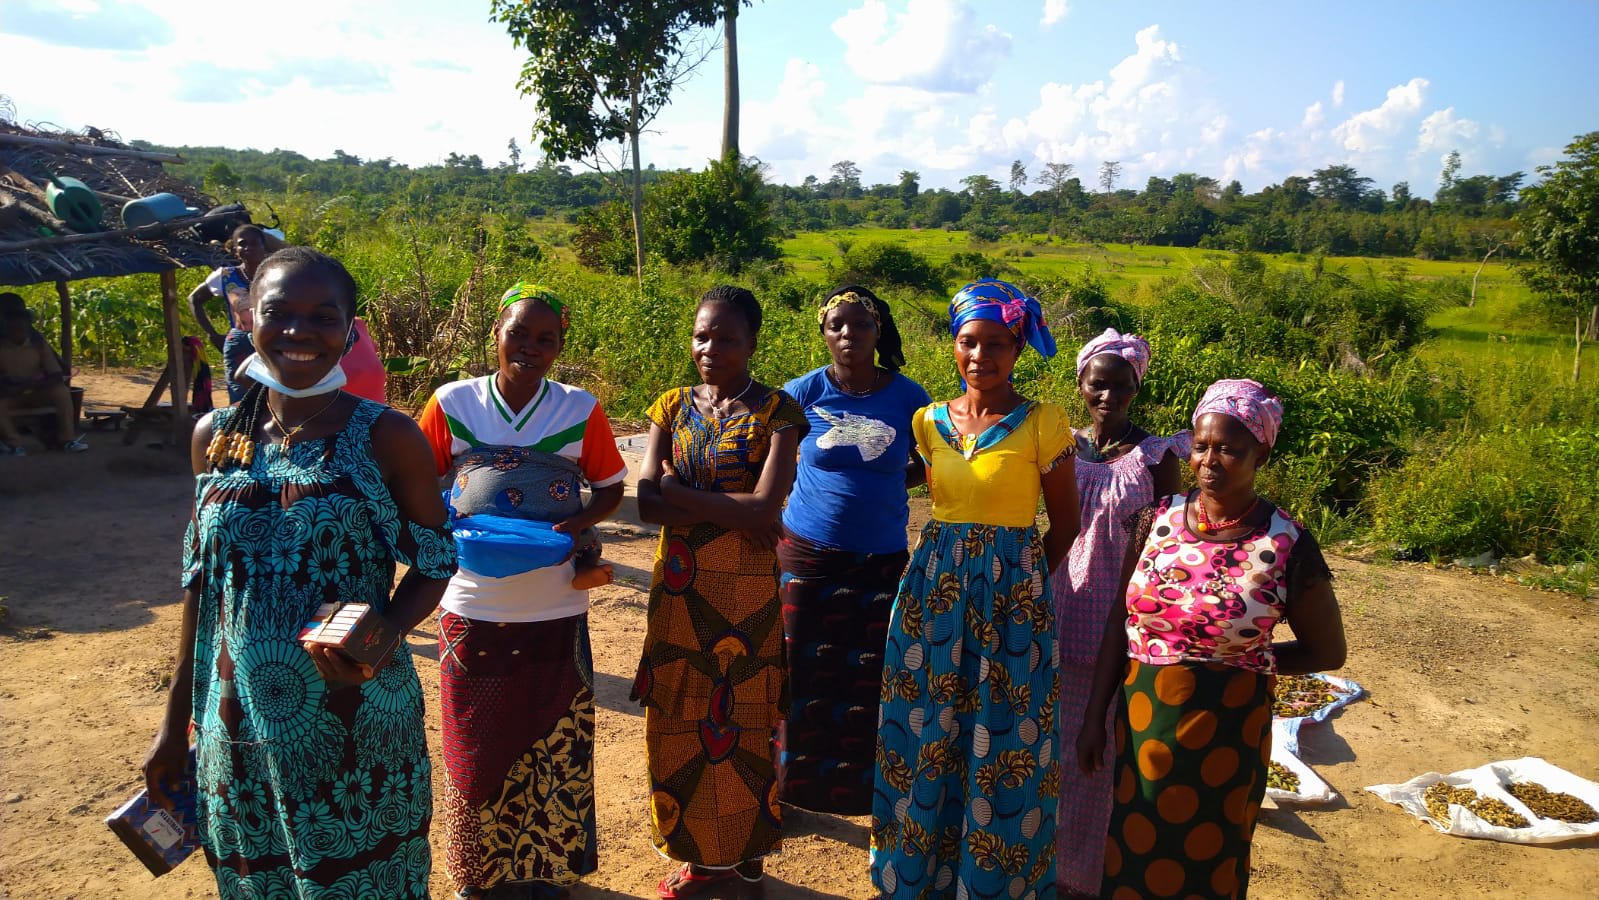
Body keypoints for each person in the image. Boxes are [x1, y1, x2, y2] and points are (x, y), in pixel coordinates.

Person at [143, 247, 458, 899]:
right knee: (259, 882)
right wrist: (176, 727)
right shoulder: (215, 437)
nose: (298, 331)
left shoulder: (386, 437)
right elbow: (201, 585)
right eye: (279, 313)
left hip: (355, 723)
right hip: (236, 724)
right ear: (247, 317)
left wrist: (386, 628)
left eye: (322, 315)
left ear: (350, 328)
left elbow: (436, 561)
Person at [1077, 378, 1347, 900]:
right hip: (1142, 722)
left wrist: (1241, 659)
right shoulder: (1156, 522)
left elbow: (1326, 651)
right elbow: (1119, 623)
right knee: (1133, 848)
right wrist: (1094, 718)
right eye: (1201, 445)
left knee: (1207, 857)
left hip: (1228, 730)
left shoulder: (1285, 541)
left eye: (1229, 449)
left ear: (1261, 453)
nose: (1209, 460)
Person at [871, 279, 1080, 900]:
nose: (980, 356)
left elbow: (1065, 526)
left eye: (996, 343)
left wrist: (1018, 587)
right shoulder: (927, 421)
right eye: (968, 342)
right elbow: (941, 500)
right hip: (933, 593)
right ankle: (916, 874)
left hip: (1012, 603)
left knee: (1003, 733)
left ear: (1017, 348)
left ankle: (990, 880)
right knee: (926, 724)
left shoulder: (1044, 421)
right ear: (953, 346)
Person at [418, 282, 627, 900]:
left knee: (554, 738)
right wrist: (448, 528)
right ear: (496, 335)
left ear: (560, 346)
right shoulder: (453, 402)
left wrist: (578, 524)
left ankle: (548, 871)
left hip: (558, 604)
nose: (530, 348)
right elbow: (422, 481)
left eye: (546, 339)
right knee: (471, 745)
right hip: (470, 604)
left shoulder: (577, 409)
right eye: (519, 334)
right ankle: (476, 877)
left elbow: (611, 485)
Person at [632, 286, 807, 898]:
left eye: (726, 338)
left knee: (742, 723)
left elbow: (765, 505)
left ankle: (743, 853)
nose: (710, 348)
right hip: (679, 594)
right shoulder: (671, 405)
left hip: (747, 596)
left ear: (752, 343)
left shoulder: (779, 413)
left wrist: (680, 493)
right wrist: (711, 507)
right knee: (679, 723)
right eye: (702, 335)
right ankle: (697, 856)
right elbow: (644, 503)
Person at [777, 285, 931, 815]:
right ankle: (791, 795)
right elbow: (766, 458)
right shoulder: (801, 394)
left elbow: (930, 463)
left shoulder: (910, 399)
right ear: (824, 332)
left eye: (860, 324)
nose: (849, 334)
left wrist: (886, 486)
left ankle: (864, 797)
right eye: (837, 325)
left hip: (880, 561)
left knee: (870, 677)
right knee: (799, 676)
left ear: (878, 332)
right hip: (808, 556)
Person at [1048, 328, 1187, 898]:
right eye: (1098, 385)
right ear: (1081, 384)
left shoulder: (1157, 457)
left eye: (1121, 388)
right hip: (1055, 606)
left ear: (1137, 388)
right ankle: (1037, 863)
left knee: (1097, 754)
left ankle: (1082, 877)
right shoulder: (1058, 443)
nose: (1108, 397)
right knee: (1048, 744)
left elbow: (1165, 543)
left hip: (1118, 620)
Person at [189, 223, 268, 404]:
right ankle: (240, 432)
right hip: (240, 343)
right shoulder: (225, 276)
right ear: (234, 249)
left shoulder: (276, 274)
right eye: (242, 244)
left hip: (270, 341)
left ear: (264, 247)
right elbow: (194, 299)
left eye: (254, 243)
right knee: (239, 397)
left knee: (272, 395)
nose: (248, 248)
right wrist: (212, 334)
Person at [0, 292, 87, 454]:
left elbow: (56, 374)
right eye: (14, 324)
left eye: (22, 324)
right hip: (10, 395)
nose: (19, 328)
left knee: (61, 391)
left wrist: (36, 384)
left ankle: (67, 440)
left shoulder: (37, 343)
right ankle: (14, 444)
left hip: (36, 392)